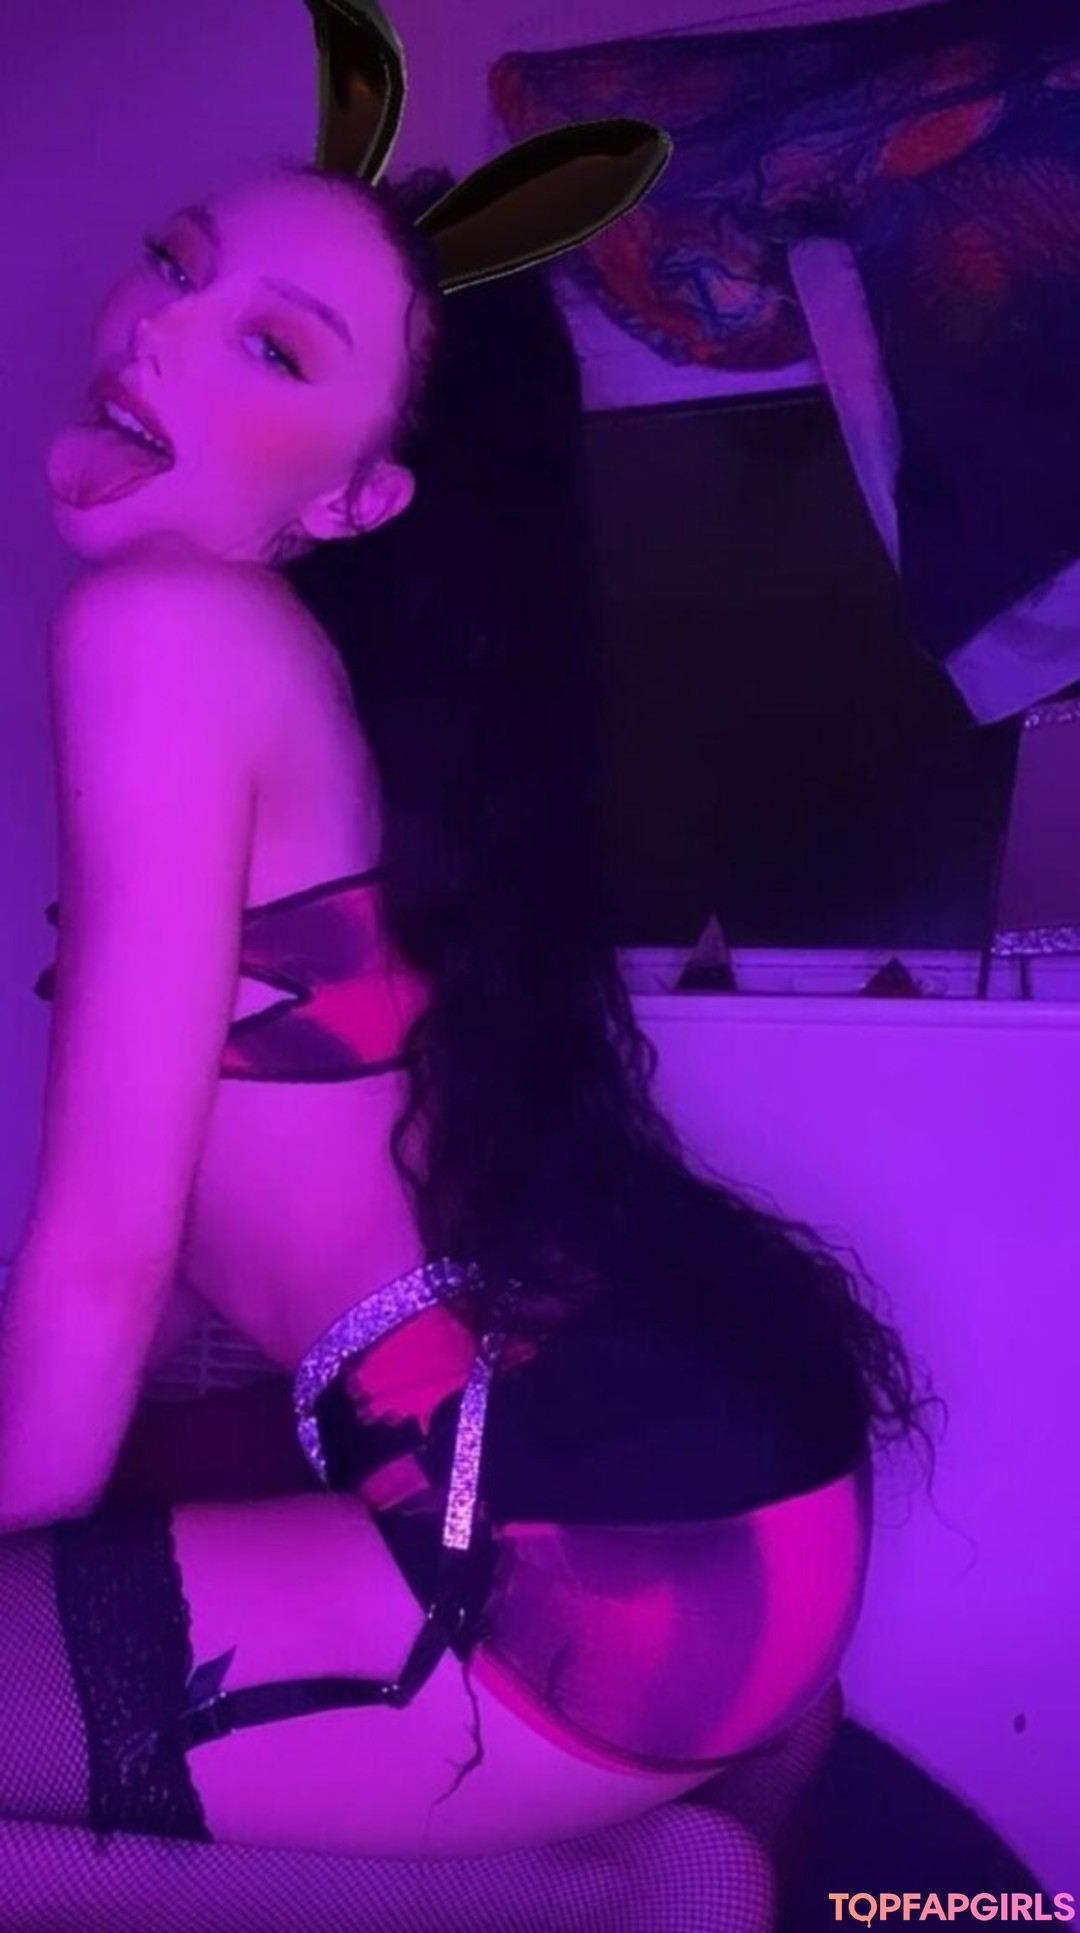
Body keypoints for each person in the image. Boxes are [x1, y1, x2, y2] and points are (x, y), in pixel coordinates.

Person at [0, 158, 939, 1861]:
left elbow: (103, 1261)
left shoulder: (159, 624)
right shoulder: (315, 683)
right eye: (174, 262)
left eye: (274, 347)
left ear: (364, 494)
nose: (157, 331)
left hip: (598, 1559)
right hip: (736, 1488)